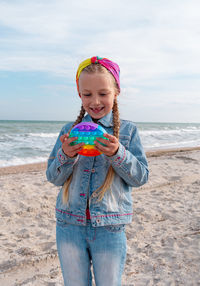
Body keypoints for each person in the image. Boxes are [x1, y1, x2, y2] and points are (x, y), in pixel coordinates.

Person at [46, 56, 149, 286]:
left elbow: (141, 176)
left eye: (103, 93)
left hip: (110, 228)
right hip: (69, 225)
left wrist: (117, 153)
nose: (95, 101)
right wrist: (67, 154)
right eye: (87, 94)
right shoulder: (69, 131)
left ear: (116, 92)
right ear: (79, 94)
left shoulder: (127, 132)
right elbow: (53, 177)